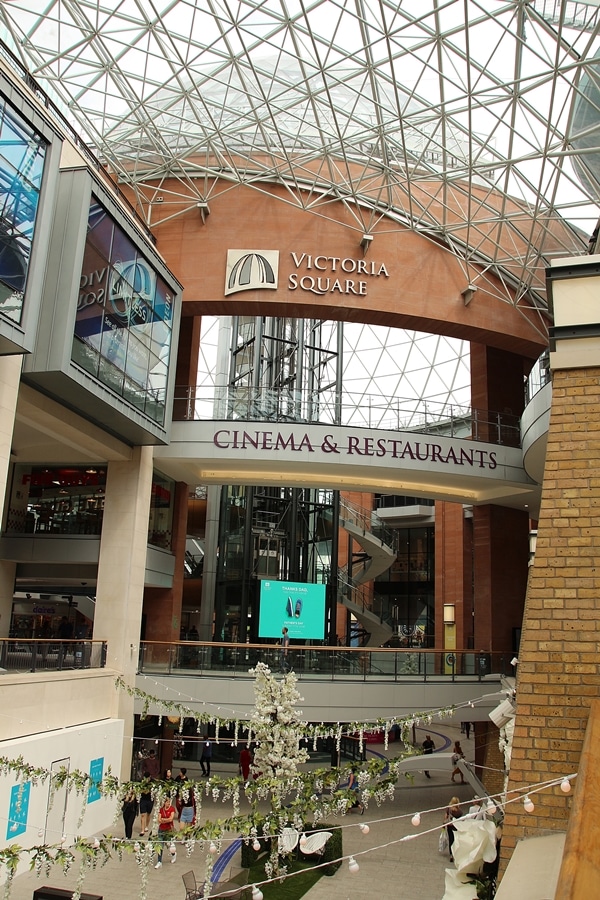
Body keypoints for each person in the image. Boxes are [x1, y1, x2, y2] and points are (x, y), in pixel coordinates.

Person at [154, 797, 177, 868]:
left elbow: (171, 819)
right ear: (164, 803)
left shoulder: (172, 809)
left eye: (169, 802)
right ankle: (159, 861)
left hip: (169, 830)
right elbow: (159, 820)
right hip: (161, 829)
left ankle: (173, 854)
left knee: (169, 845)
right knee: (160, 845)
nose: (169, 803)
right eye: (167, 802)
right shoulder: (161, 810)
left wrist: (164, 819)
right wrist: (165, 820)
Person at [444, 796, 463, 863]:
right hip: (456, 827)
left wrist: (444, 824)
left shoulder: (449, 809)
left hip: (450, 826)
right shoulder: (459, 811)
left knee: (451, 839)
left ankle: (451, 854)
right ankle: (456, 853)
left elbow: (445, 817)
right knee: (456, 839)